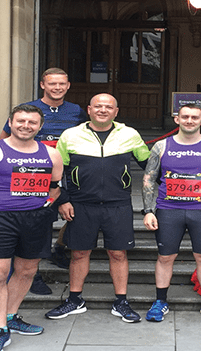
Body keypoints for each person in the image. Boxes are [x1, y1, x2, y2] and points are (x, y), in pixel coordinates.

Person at [0, 104, 63, 351]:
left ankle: (10, 316)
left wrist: (45, 208)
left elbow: (55, 187)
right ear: (10, 122)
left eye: (32, 122)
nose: (26, 126)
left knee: (27, 270)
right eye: (21, 121)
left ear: (40, 126)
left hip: (35, 220)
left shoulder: (51, 155)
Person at [45, 93, 150, 323]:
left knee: (118, 253)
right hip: (81, 204)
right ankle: (74, 300)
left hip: (118, 204)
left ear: (116, 111)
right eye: (98, 106)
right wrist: (62, 200)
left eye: (108, 107)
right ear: (89, 109)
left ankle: (121, 301)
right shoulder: (70, 135)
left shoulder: (129, 134)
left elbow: (150, 165)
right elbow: (57, 172)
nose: (103, 110)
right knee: (79, 253)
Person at [142, 104, 201, 323]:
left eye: (194, 117)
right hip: (168, 210)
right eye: (185, 117)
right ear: (177, 119)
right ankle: (160, 301)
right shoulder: (161, 145)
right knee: (166, 257)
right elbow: (148, 178)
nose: (189, 121)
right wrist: (148, 211)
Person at [0, 68, 87, 293]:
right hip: (33, 175)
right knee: (39, 222)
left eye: (61, 84)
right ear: (42, 85)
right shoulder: (28, 110)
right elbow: (4, 140)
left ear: (68, 86)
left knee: (76, 215)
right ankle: (32, 274)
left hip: (67, 172)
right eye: (52, 84)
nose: (57, 88)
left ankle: (59, 248)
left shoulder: (76, 111)